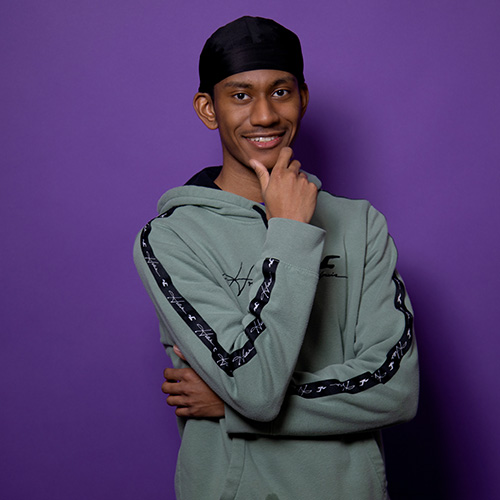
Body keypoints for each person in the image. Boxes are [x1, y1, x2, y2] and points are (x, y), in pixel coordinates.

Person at [134, 16, 419, 500]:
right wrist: (290, 231)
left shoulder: (360, 225)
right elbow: (255, 387)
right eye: (240, 95)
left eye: (280, 92)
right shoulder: (171, 238)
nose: (264, 116)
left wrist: (228, 405)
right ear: (209, 108)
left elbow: (395, 390)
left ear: (302, 98)